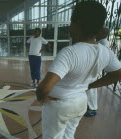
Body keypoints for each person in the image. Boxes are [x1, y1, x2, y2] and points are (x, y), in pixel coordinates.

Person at [36, 1, 121, 139]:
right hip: (81, 101)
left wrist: (43, 97)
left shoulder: (69, 53)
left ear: (76, 24)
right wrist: (89, 86)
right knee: (69, 134)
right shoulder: (106, 52)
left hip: (60, 105)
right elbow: (118, 74)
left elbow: (43, 88)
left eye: (71, 22)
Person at [85, 27, 110, 117]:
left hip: (93, 69)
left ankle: (92, 109)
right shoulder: (101, 42)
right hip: (92, 68)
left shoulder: (102, 43)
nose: (97, 33)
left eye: (99, 32)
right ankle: (89, 106)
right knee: (90, 89)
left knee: (91, 89)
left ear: (103, 34)